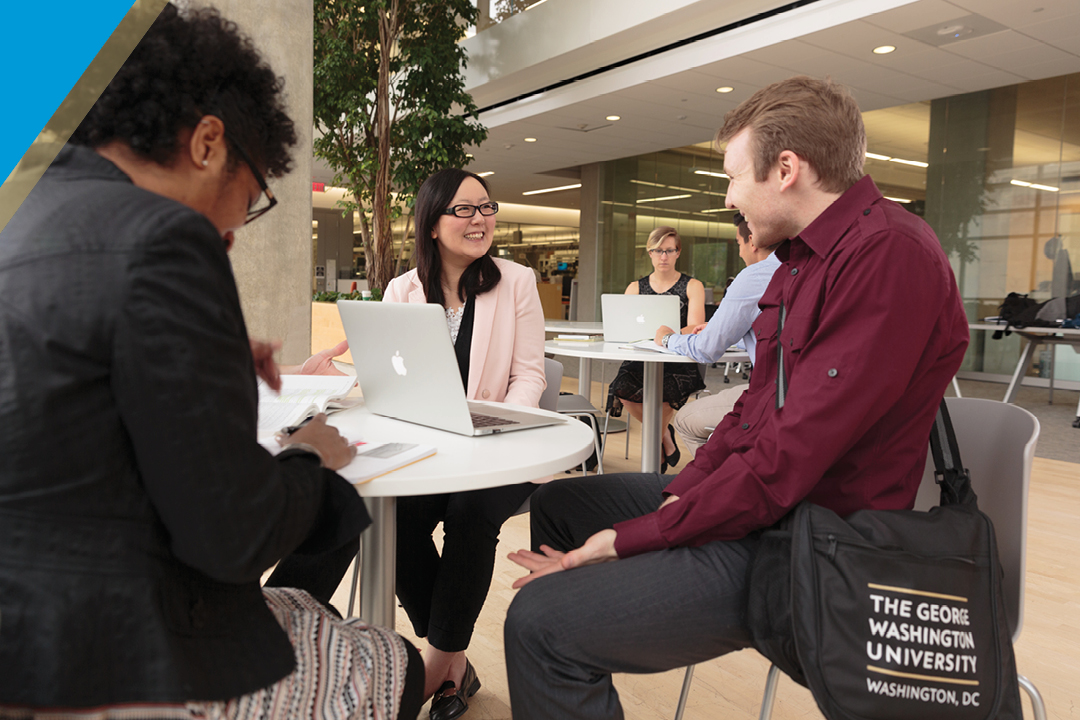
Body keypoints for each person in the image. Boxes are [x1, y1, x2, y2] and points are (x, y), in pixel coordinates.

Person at [502, 75, 970, 720]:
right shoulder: (803, 262)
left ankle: (579, 635)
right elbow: (754, 413)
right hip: (773, 510)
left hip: (811, 540)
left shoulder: (887, 254)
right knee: (565, 504)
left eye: (732, 176)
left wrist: (641, 534)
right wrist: (680, 495)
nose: (728, 198)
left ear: (786, 169)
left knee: (539, 624)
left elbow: (787, 460)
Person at [0, 6, 422, 719]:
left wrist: (209, 357)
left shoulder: (28, 205)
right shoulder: (164, 238)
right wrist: (310, 460)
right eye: (250, 201)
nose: (231, 233)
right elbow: (231, 532)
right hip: (88, 653)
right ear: (206, 143)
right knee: (386, 663)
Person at [383, 168, 546, 720]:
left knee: (471, 511)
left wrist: (495, 428)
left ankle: (433, 669)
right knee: (391, 517)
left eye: (487, 207)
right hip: (433, 449)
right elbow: (393, 381)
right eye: (464, 210)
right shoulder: (400, 291)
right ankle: (454, 660)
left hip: (504, 449)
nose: (481, 220)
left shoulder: (516, 281)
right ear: (431, 224)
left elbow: (530, 376)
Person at [662, 211, 781, 456]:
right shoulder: (804, 270)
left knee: (686, 420)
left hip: (772, 395)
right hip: (807, 393)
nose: (739, 252)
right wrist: (729, 332)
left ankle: (721, 486)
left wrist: (666, 338)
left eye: (738, 244)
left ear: (753, 241)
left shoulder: (754, 276)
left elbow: (706, 350)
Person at [606, 226, 706, 472]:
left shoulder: (693, 286)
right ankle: (665, 437)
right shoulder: (635, 287)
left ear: (678, 252)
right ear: (649, 253)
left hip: (678, 358)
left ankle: (657, 451)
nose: (664, 256)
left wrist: (666, 335)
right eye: (658, 250)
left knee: (663, 396)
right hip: (641, 357)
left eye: (669, 250)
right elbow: (625, 327)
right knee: (621, 389)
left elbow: (695, 327)